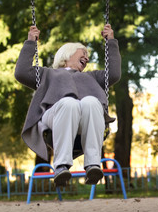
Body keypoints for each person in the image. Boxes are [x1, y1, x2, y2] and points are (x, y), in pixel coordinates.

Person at [14, 24, 121, 186]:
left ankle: (93, 164)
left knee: (91, 101)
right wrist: (30, 42)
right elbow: (21, 72)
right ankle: (61, 166)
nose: (87, 57)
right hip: (55, 117)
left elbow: (113, 74)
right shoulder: (48, 74)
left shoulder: (92, 77)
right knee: (69, 103)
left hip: (83, 121)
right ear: (67, 54)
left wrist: (110, 41)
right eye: (83, 52)